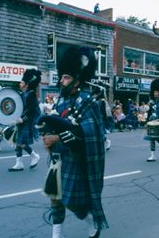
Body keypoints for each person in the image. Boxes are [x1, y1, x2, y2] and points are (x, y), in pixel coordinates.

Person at [42, 46, 108, 238]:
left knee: (72, 202)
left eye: (66, 78)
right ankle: (57, 234)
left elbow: (91, 134)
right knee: (54, 197)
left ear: (77, 80)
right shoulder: (60, 101)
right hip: (57, 158)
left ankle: (91, 220)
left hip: (75, 160)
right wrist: (46, 138)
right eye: (62, 77)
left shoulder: (88, 102)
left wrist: (59, 138)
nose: (61, 81)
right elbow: (51, 123)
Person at [8, 69, 41, 172]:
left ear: (26, 84)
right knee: (17, 142)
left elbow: (32, 111)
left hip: (27, 122)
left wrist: (22, 119)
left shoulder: (31, 95)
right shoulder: (23, 94)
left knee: (21, 142)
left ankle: (34, 156)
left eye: (22, 82)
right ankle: (19, 163)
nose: (20, 83)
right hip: (20, 121)